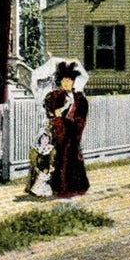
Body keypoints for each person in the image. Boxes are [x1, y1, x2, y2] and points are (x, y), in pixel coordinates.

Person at [44, 61, 89, 197]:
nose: (66, 83)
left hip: (73, 131)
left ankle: (77, 187)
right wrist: (59, 115)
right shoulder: (56, 96)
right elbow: (51, 112)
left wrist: (75, 124)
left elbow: (82, 115)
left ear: (73, 82)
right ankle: (60, 188)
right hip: (61, 131)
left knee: (75, 158)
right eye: (63, 80)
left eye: (69, 80)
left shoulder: (79, 99)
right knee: (62, 158)